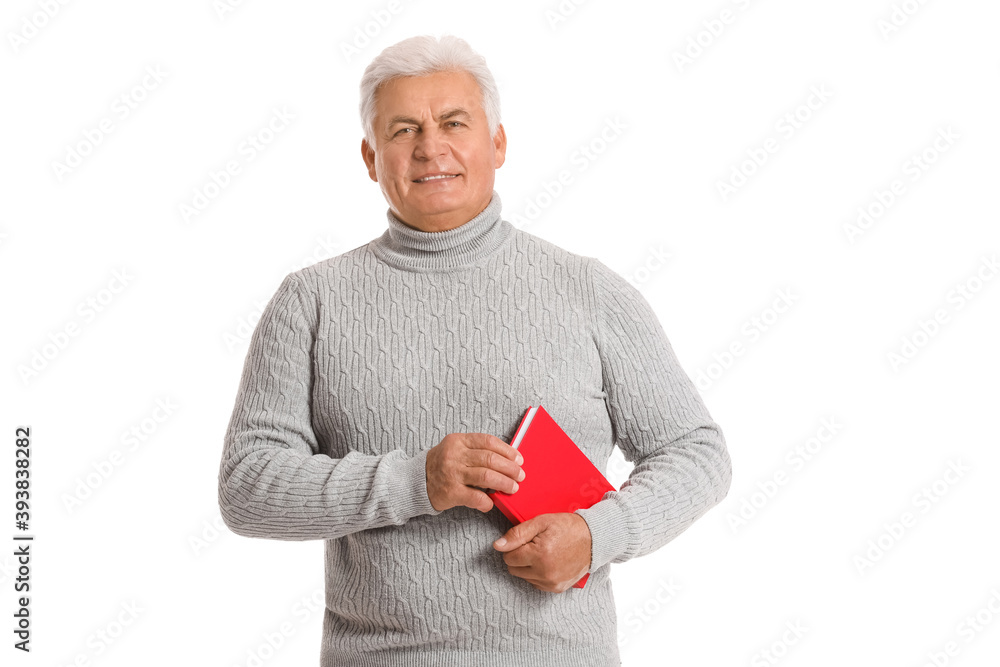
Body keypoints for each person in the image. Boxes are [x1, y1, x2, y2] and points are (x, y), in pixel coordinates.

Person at [218, 33, 732, 667]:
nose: (430, 147)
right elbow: (247, 487)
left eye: (453, 123)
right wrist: (415, 481)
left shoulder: (588, 290)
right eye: (403, 130)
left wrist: (596, 535)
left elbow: (697, 453)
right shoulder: (311, 302)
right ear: (371, 158)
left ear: (498, 144)